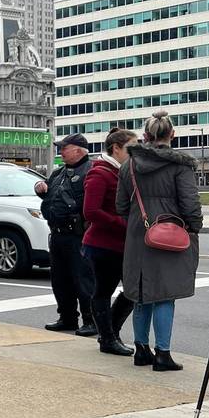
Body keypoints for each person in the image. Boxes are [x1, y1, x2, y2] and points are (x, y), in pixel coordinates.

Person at [116, 111, 202, 372]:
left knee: (141, 293)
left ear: (145, 136)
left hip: (138, 234)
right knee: (165, 294)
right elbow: (190, 203)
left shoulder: (127, 166)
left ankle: (141, 349)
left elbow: (120, 205)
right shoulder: (181, 165)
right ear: (172, 135)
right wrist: (194, 227)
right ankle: (163, 353)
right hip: (169, 234)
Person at [81, 128, 138, 358]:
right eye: (130, 148)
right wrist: (122, 223)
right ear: (116, 148)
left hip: (122, 244)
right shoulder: (100, 173)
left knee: (133, 290)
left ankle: (110, 332)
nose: (134, 153)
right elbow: (91, 211)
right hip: (103, 245)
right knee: (104, 291)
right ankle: (107, 338)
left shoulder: (122, 172)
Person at [36, 134, 97, 337]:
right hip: (58, 234)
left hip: (78, 235)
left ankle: (90, 320)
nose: (60, 151)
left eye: (64, 148)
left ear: (79, 150)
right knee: (60, 280)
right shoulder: (59, 173)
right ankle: (67, 317)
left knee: (83, 279)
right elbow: (49, 191)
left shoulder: (91, 170)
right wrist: (41, 189)